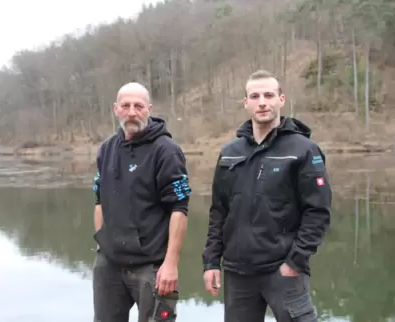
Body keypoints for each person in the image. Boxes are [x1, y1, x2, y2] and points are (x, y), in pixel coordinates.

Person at [202, 70, 332, 322]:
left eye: (269, 95)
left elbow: (318, 211)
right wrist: (210, 262)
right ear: (246, 103)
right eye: (255, 96)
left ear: (281, 100)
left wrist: (295, 261)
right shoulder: (230, 152)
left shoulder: (303, 150)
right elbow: (219, 211)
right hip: (238, 273)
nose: (262, 101)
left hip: (283, 271)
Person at [92, 82, 191, 322]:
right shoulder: (106, 149)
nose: (132, 112)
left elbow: (179, 208)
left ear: (149, 108)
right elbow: (98, 200)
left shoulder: (166, 151)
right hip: (110, 266)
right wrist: (101, 247)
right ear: (116, 109)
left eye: (138, 106)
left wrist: (170, 264)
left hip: (152, 267)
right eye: (126, 106)